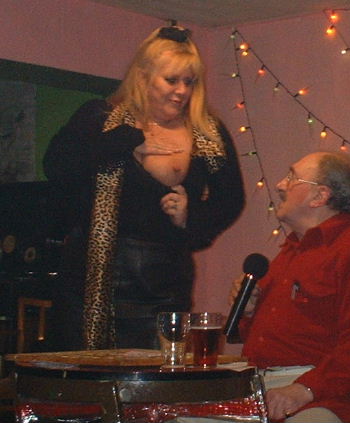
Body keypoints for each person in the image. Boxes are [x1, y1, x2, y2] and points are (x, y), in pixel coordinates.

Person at [43, 26, 245, 351]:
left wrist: (191, 216)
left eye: (189, 82)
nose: (181, 91)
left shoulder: (207, 131)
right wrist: (126, 141)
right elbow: (57, 166)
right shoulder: (102, 118)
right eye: (171, 80)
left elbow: (231, 200)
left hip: (167, 278)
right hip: (97, 277)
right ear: (144, 76)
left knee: (158, 378)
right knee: (93, 376)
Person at [231, 151, 350, 423]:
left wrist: (304, 389)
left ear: (319, 196)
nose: (279, 184)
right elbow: (264, 341)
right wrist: (249, 312)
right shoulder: (288, 253)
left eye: (292, 177)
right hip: (258, 389)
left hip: (327, 395)